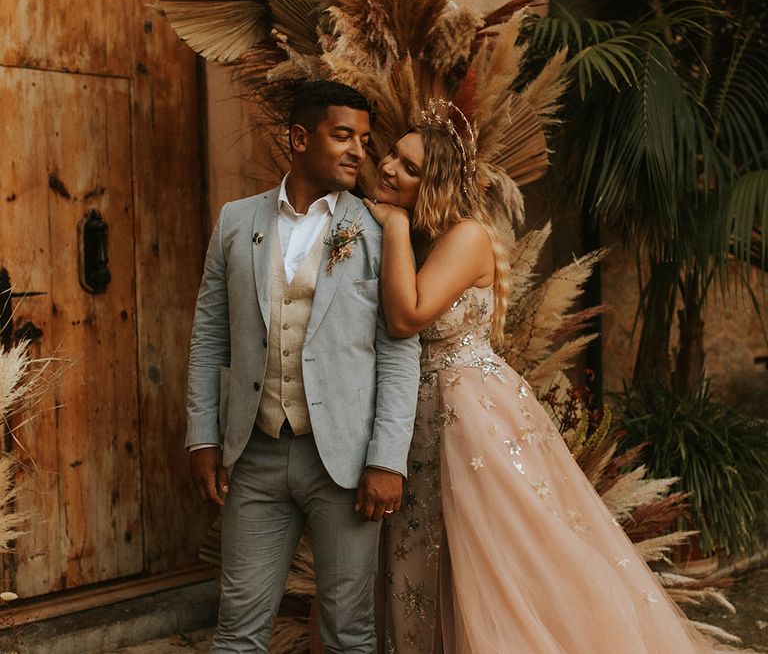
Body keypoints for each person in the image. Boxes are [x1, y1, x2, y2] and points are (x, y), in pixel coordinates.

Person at [364, 100, 713, 653]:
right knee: (428, 552)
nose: (387, 167)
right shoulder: (418, 235)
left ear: (435, 187)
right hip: (420, 415)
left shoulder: (463, 236)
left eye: (409, 167)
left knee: (499, 551)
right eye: (392, 155)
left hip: (470, 412)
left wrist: (395, 227)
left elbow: (407, 316)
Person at [186, 80, 421, 653]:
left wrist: (387, 458)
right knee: (237, 629)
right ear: (299, 138)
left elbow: (399, 348)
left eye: (364, 140)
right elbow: (209, 336)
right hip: (256, 452)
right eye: (342, 135)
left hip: (344, 463)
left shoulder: (376, 230)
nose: (359, 152)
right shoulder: (238, 222)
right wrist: (202, 438)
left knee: (348, 631)